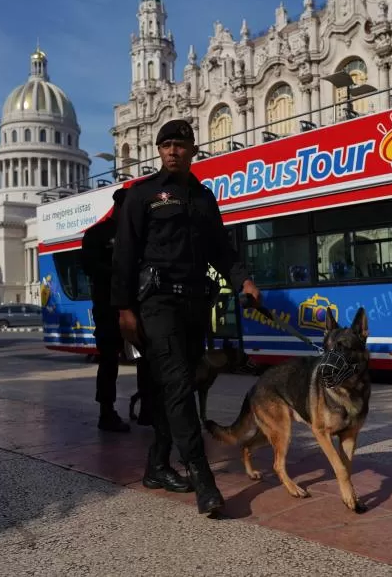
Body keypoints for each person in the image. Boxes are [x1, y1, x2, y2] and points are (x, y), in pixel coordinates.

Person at [111, 119, 261, 515]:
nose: (172, 151)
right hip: (157, 305)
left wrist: (244, 281)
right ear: (159, 151)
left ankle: (157, 466)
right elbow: (124, 254)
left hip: (195, 305)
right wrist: (124, 308)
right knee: (178, 386)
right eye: (166, 146)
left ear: (193, 150)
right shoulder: (143, 195)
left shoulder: (203, 198)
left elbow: (221, 250)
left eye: (179, 145)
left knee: (177, 388)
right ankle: (203, 479)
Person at [81, 188, 132, 433]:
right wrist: (119, 272)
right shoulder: (96, 234)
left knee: (147, 358)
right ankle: (106, 411)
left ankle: (149, 408)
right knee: (109, 359)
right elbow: (90, 267)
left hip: (135, 306)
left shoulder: (136, 234)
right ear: (119, 207)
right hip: (108, 307)